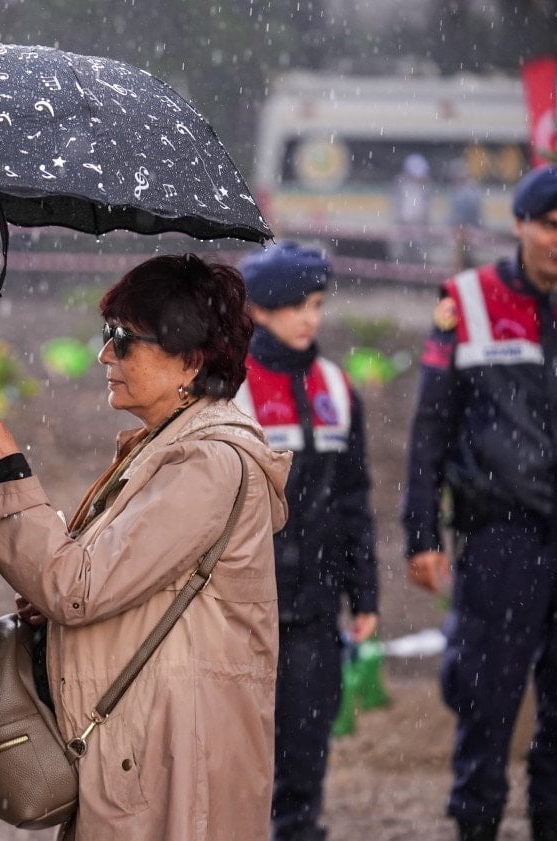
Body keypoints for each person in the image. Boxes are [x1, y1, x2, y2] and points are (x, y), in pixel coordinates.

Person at [0, 253, 291, 840]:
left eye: (124, 340)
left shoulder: (207, 464)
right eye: (107, 335)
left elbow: (78, 587)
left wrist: (7, 471)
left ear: (190, 359)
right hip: (150, 749)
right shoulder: (166, 447)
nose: (104, 355)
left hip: (177, 762)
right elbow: (128, 588)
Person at [402, 164, 557, 841]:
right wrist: (420, 532)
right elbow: (429, 427)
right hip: (502, 535)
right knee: (487, 704)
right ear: (520, 224)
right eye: (550, 225)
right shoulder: (470, 299)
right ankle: (476, 825)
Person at [236, 241, 380, 841]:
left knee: (305, 745)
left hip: (316, 606)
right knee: (238, 750)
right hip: (242, 605)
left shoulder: (338, 389)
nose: (309, 318)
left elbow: (354, 499)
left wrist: (364, 594)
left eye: (317, 304)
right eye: (295, 305)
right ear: (258, 310)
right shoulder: (231, 388)